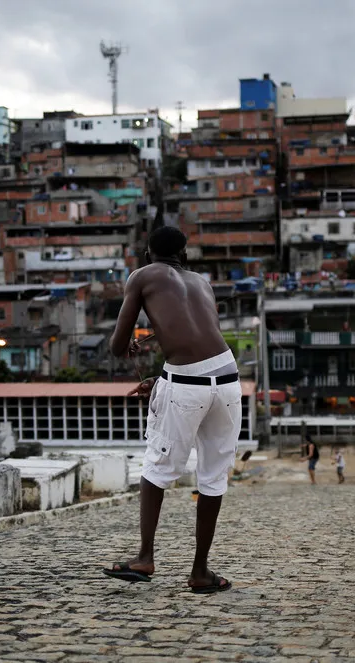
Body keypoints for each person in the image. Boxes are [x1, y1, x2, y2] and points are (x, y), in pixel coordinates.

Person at [101, 226, 240, 594]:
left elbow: (117, 347)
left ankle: (145, 556)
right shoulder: (202, 282)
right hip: (227, 379)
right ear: (184, 253)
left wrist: (132, 346)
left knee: (157, 469)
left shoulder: (142, 276)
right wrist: (164, 381)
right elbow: (197, 338)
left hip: (186, 385)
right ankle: (200, 572)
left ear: (148, 253)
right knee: (212, 478)